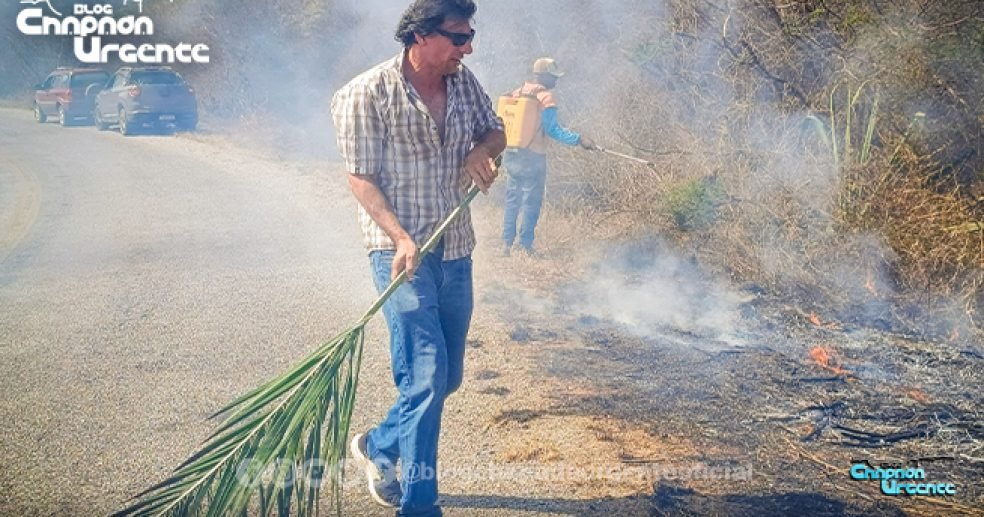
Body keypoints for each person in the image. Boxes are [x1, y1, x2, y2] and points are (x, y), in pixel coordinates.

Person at [330, 0, 505, 515]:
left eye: (469, 35)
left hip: (455, 251)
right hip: (400, 254)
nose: (467, 46)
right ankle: (420, 503)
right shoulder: (365, 93)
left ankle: (377, 445)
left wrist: (483, 150)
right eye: (457, 36)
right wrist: (400, 237)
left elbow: (496, 129)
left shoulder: (463, 83)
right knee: (425, 376)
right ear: (419, 36)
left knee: (446, 377)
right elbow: (360, 177)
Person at [500, 57, 594, 257]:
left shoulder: (517, 92)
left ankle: (506, 244)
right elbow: (553, 130)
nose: (556, 81)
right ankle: (524, 245)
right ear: (541, 76)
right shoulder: (545, 98)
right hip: (533, 156)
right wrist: (579, 140)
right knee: (531, 201)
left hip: (512, 152)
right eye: (553, 77)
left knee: (512, 199)